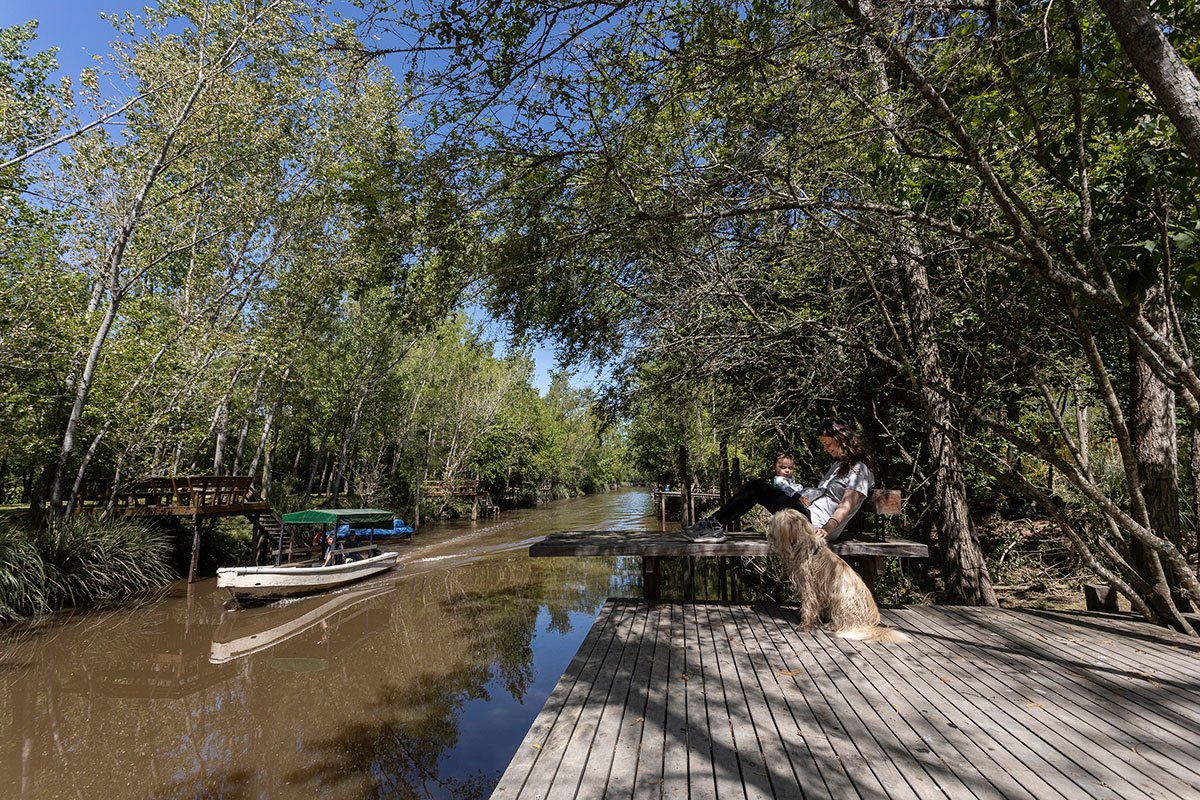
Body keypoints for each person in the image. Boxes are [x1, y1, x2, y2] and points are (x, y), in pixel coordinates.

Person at [681, 417, 876, 544]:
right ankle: (714, 524)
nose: (826, 449)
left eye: (828, 444)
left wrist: (827, 528)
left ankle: (714, 525)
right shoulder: (839, 466)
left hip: (815, 524)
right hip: (807, 516)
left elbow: (847, 504)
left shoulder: (860, 470)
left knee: (757, 487)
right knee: (759, 487)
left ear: (842, 439)